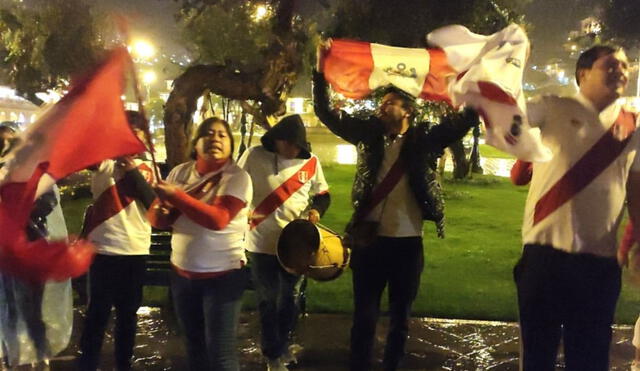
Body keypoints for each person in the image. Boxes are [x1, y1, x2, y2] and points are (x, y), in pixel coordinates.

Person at [313, 43, 480, 371]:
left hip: (407, 244)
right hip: (368, 242)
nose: (381, 107)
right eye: (381, 102)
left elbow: (465, 121)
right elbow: (325, 112)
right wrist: (319, 70)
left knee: (401, 319)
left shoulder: (425, 139)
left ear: (407, 111)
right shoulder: (368, 136)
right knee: (364, 316)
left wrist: (472, 80)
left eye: (389, 103)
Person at [515, 45, 635, 371]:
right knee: (538, 355)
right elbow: (510, 119)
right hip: (544, 258)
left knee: (591, 357)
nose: (622, 70)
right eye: (611, 65)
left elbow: (636, 190)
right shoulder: (552, 107)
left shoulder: (633, 127)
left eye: (625, 65)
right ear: (583, 73)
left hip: (599, 265)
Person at [147, 117, 252, 371]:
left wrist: (177, 197)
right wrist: (161, 211)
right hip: (183, 276)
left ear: (230, 145)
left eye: (222, 135)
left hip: (222, 278)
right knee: (194, 348)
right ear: (196, 143)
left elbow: (218, 219)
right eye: (207, 133)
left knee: (221, 354)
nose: (215, 138)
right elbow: (157, 219)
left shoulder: (236, 177)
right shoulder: (180, 173)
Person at [237, 114, 330, 371]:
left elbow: (323, 194)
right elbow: (235, 184)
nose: (293, 148)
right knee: (268, 299)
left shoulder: (311, 162)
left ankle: (282, 344)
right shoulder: (254, 156)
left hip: (294, 245)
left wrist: (316, 211)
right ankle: (272, 354)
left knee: (289, 299)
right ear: (276, 140)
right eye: (288, 143)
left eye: (297, 144)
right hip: (259, 243)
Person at [78, 111, 156, 371]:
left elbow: (153, 205)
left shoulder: (151, 169)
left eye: (138, 131)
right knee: (97, 314)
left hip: (135, 251)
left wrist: (133, 171)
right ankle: (87, 363)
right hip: (103, 251)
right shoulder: (105, 164)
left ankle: (124, 363)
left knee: (127, 316)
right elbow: (89, 157)